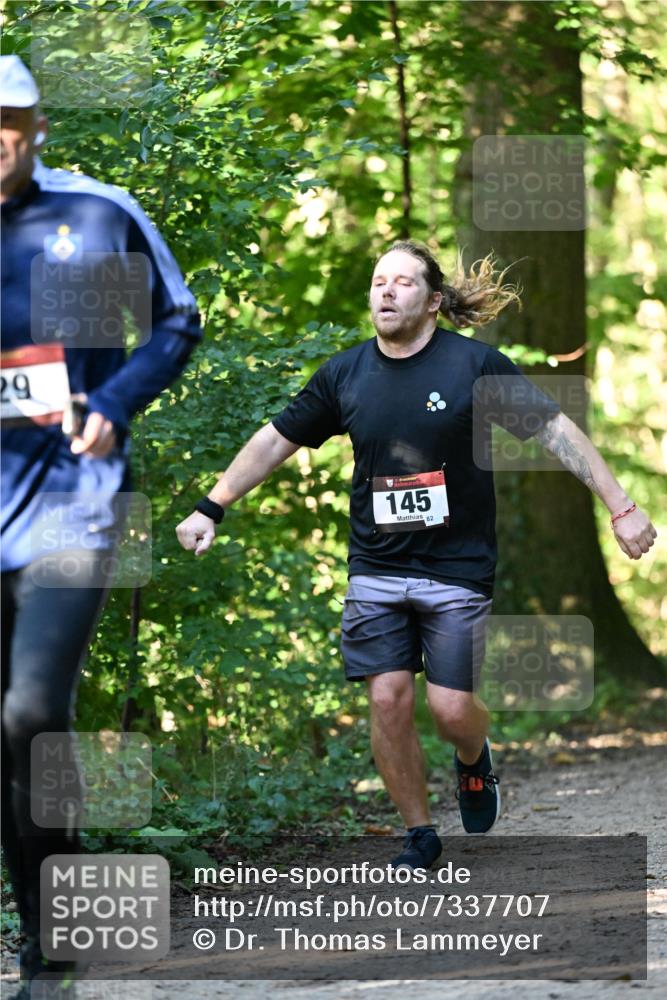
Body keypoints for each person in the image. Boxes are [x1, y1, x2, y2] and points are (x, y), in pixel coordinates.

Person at [176, 240, 656, 872]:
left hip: (457, 568)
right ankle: (419, 833)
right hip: (375, 567)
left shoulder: (476, 367)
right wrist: (212, 505)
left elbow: (555, 433)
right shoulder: (344, 375)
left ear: (433, 302)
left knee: (452, 710)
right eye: (379, 280)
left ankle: (472, 757)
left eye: (403, 282)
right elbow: (274, 441)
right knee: (387, 698)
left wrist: (621, 506)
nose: (386, 290)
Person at [1, 55, 202, 996]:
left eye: (11, 119)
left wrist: (116, 399)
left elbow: (176, 319)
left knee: (32, 710)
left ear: (37, 126)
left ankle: (52, 948)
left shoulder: (94, 211)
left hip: (73, 505)